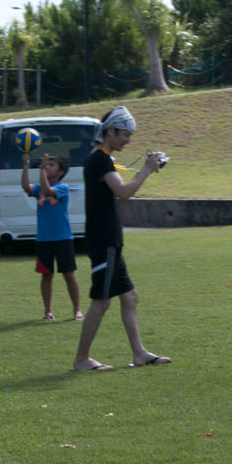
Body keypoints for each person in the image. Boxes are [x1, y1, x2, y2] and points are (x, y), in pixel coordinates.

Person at [72, 106, 171, 372]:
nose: (128, 140)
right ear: (110, 131)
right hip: (104, 241)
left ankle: (139, 353)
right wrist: (147, 169)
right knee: (102, 301)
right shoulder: (99, 160)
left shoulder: (101, 159)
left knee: (130, 297)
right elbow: (123, 192)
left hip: (110, 240)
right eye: (125, 134)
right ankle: (82, 359)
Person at [20, 151, 83, 322]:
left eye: (51, 165)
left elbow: (48, 190)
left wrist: (40, 170)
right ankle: (48, 312)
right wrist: (26, 165)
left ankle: (77, 310)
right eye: (46, 165)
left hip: (63, 238)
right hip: (43, 239)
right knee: (46, 275)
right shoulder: (38, 188)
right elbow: (26, 186)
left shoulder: (62, 187)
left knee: (69, 275)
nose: (47, 167)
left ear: (61, 172)